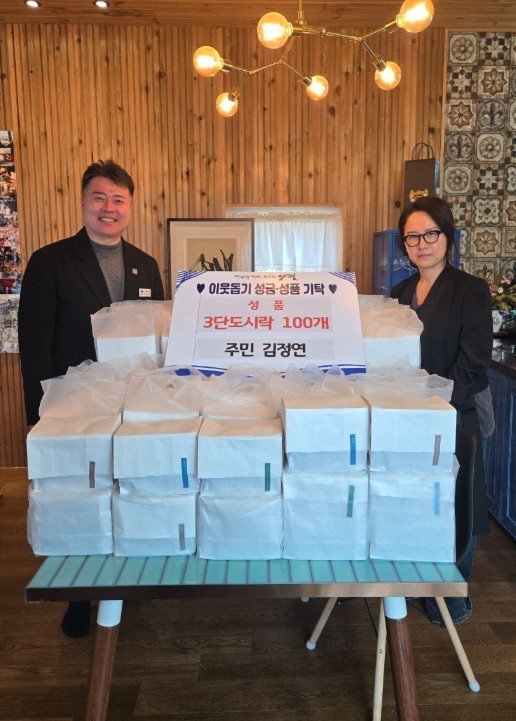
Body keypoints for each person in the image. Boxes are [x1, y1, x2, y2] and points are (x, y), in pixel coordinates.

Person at [18, 160, 165, 638]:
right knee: (78, 499)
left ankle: (128, 582)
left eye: (119, 199)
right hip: (73, 408)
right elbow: (34, 344)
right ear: (83, 203)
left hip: (133, 407)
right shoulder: (50, 261)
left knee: (129, 489)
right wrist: (37, 414)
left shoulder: (145, 264)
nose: (109, 208)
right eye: (99, 197)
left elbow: (159, 342)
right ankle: (80, 596)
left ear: (130, 207)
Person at [391, 196, 493, 625]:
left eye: (430, 234)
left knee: (458, 499)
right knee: (422, 497)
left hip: (455, 412)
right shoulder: (399, 294)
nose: (422, 244)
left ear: (448, 237)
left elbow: (474, 362)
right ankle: (418, 580)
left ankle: (452, 597)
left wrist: (437, 403)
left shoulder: (471, 290)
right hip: (410, 414)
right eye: (412, 237)